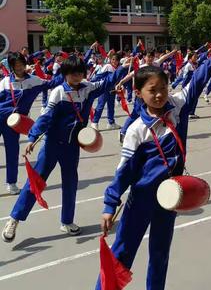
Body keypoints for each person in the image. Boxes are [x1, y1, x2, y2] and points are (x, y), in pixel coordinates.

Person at [84, 39, 211, 290]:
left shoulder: (176, 106)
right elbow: (123, 170)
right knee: (121, 257)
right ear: (138, 93)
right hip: (141, 199)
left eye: (163, 88)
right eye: (153, 91)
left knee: (160, 252)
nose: (160, 95)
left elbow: (196, 82)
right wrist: (110, 204)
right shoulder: (137, 129)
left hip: (170, 197)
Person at [1, 55, 129, 243]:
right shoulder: (59, 92)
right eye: (72, 74)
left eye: (80, 73)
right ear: (65, 75)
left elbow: (107, 81)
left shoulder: (88, 88)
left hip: (72, 146)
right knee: (36, 183)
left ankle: (67, 221)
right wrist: (33, 137)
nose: (77, 77)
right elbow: (46, 117)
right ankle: (14, 219)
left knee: (70, 183)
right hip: (52, 144)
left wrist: (123, 68)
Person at [0, 52, 64, 194]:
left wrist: (67, 72)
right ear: (11, 67)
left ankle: (11, 183)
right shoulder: (5, 82)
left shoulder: (34, 80)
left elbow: (52, 83)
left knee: (12, 152)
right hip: (1, 117)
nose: (19, 69)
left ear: (25, 64)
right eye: (16, 67)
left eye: (21, 65)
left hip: (14, 123)